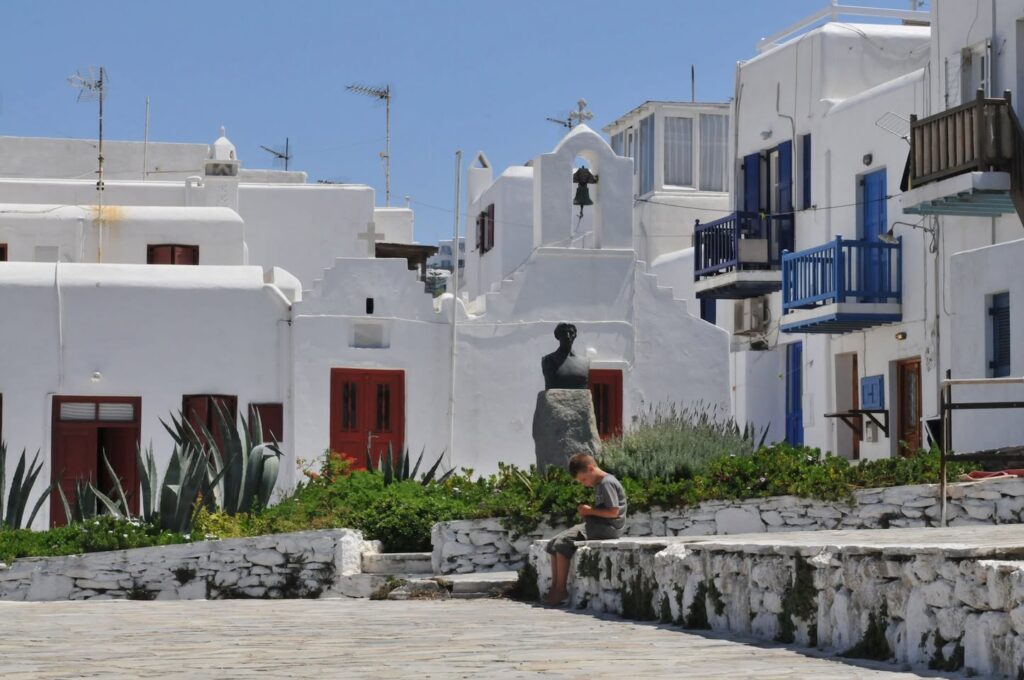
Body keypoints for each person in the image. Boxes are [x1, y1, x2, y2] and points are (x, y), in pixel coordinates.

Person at [544, 453, 627, 606]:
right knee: (552, 544)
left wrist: (589, 511)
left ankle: (560, 590)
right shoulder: (600, 484)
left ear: (591, 469)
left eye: (583, 479)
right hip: (598, 525)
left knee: (562, 543)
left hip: (607, 528)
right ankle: (555, 587)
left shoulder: (606, 483)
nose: (584, 484)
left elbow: (613, 512)